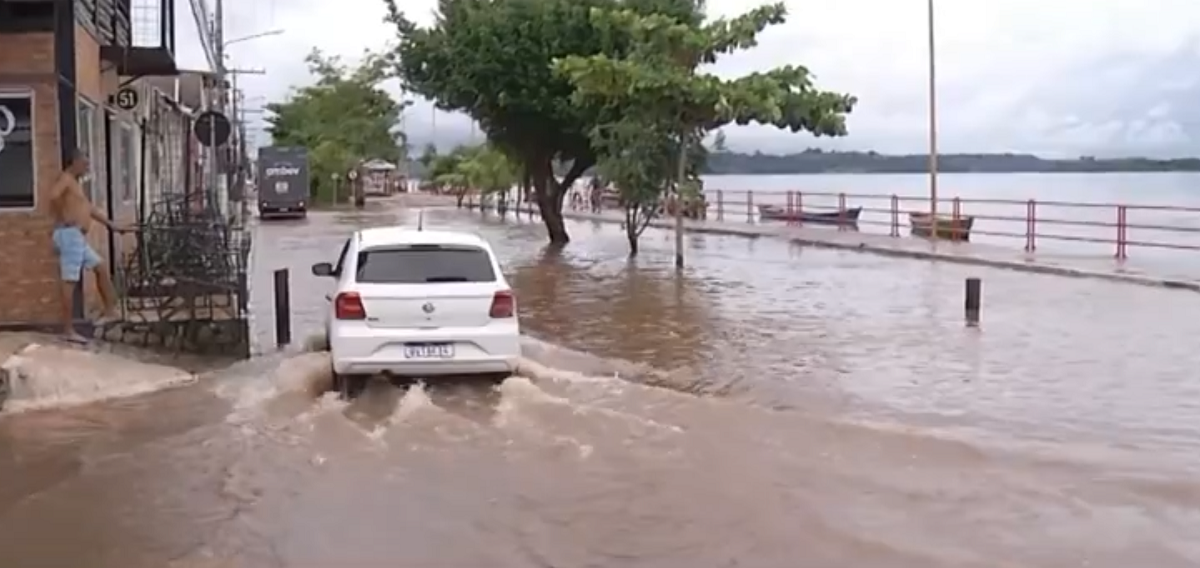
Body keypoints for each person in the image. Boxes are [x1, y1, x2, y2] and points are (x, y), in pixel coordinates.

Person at [49, 150, 124, 343]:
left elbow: (89, 209)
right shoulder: (66, 178)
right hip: (69, 235)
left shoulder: (76, 184)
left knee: (101, 267)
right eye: (84, 164)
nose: (87, 168)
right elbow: (53, 196)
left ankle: (110, 310)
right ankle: (68, 330)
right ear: (74, 162)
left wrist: (111, 225)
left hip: (78, 238)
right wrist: (64, 216)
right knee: (69, 282)